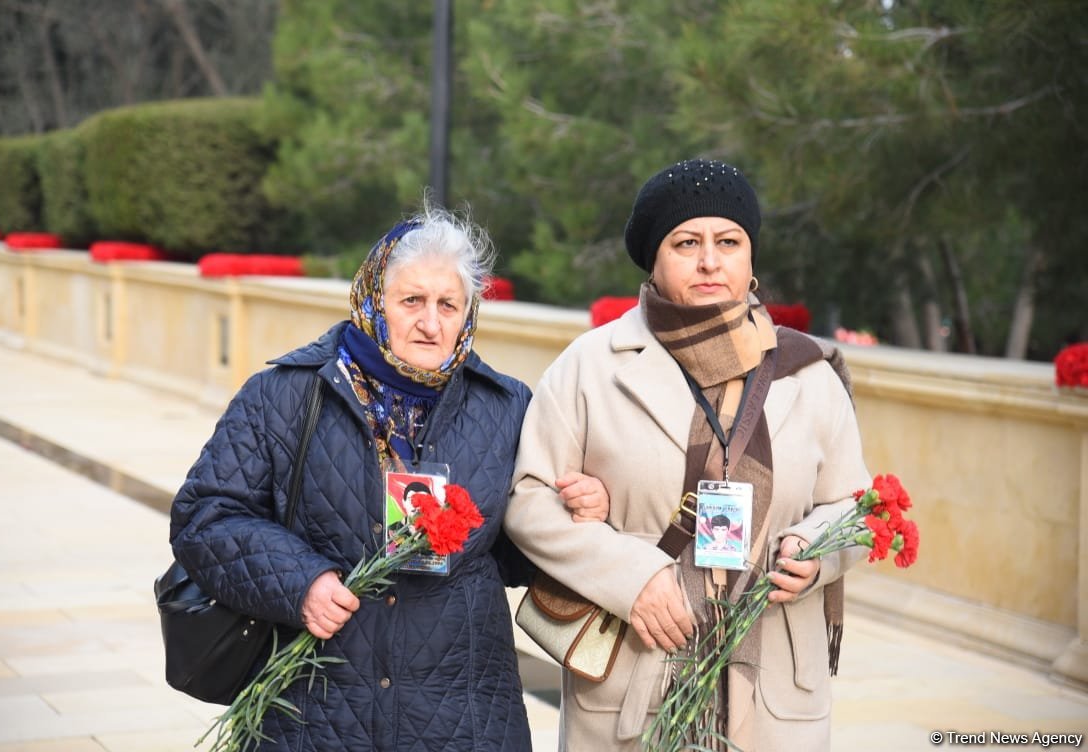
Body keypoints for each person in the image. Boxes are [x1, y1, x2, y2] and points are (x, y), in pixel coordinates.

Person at [169, 201, 609, 751]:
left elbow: (517, 554)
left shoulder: (508, 406)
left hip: (462, 719)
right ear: (373, 298)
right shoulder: (286, 394)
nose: (431, 323)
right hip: (317, 713)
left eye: (449, 304)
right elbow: (205, 515)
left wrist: (572, 513)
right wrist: (300, 581)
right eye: (412, 301)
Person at [504, 158, 871, 751]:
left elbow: (856, 507)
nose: (709, 260)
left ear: (750, 257)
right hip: (638, 675)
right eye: (686, 242)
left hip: (774, 687)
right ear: (655, 258)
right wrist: (632, 576)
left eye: (728, 241)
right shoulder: (592, 365)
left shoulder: (809, 373)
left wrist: (815, 552)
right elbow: (527, 501)